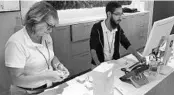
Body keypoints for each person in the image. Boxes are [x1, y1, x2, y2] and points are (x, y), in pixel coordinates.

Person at [5, 1, 69, 95]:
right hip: (27, 91)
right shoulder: (16, 43)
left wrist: (59, 65)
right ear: (36, 20)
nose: (50, 31)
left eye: (53, 27)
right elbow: (17, 79)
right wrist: (46, 75)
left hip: (47, 88)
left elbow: (50, 56)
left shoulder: (45, 36)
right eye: (49, 26)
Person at [90, 1, 146, 67]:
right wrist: (99, 66)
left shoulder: (117, 28)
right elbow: (93, 50)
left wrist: (138, 56)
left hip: (113, 63)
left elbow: (126, 44)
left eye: (121, 14)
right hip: (98, 64)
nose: (120, 18)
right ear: (109, 14)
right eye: (117, 14)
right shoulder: (97, 28)